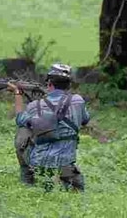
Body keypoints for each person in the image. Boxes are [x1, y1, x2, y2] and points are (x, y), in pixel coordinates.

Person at [8, 64, 90, 192]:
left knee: (23, 130)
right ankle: (65, 178)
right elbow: (85, 120)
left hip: (39, 164)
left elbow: (19, 119)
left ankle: (27, 178)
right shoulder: (78, 101)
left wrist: (18, 93)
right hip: (66, 163)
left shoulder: (35, 106)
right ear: (69, 85)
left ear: (49, 83)